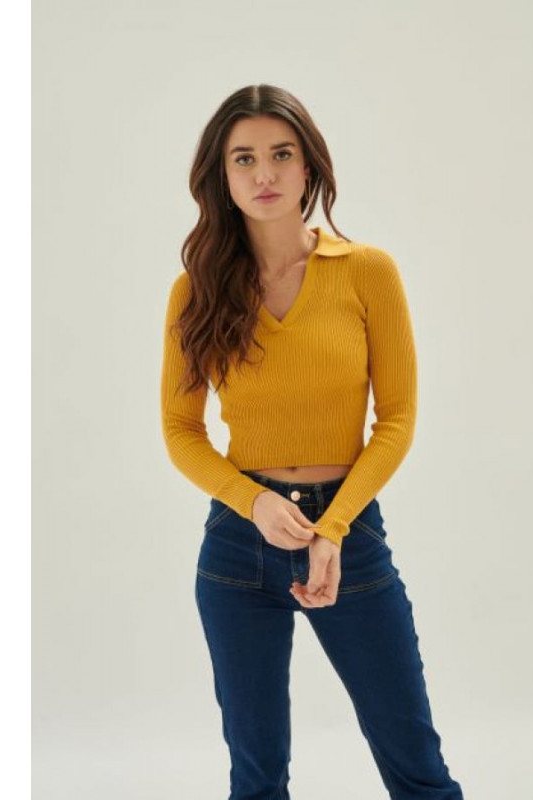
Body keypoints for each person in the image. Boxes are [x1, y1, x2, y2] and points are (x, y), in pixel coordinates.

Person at [160, 84, 465, 800]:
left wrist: (333, 528)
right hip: (238, 545)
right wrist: (252, 502)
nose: (263, 173)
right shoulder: (197, 290)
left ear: (309, 166)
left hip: (347, 535)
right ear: (221, 176)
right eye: (243, 158)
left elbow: (396, 419)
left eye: (281, 154)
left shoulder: (367, 272)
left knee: (418, 769)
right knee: (256, 780)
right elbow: (181, 431)